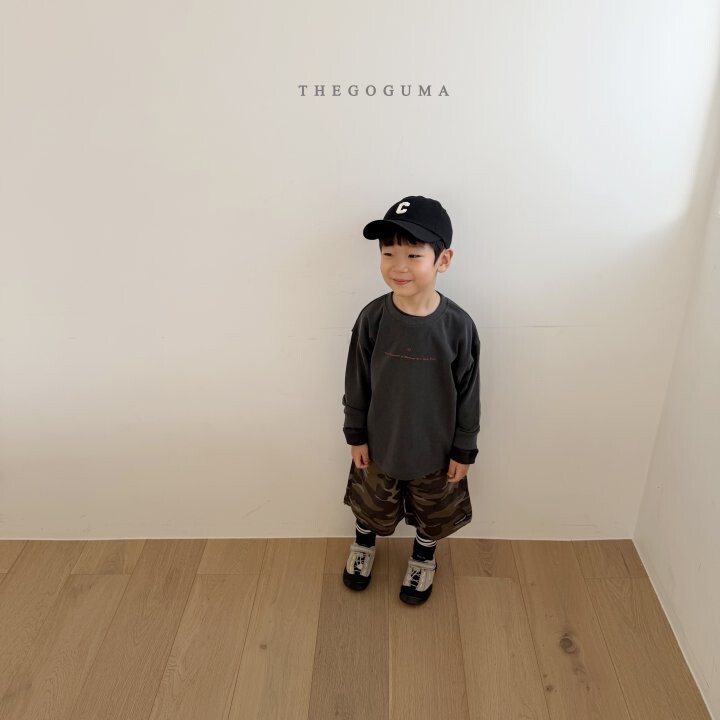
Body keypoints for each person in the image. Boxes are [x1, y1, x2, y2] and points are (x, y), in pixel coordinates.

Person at [341, 195, 481, 605]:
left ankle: (423, 556)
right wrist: (355, 433)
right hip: (379, 444)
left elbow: (469, 390)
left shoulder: (458, 327)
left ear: (443, 260)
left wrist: (464, 448)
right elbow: (356, 379)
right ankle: (364, 543)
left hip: (435, 450)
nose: (398, 266)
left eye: (413, 255)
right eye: (388, 253)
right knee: (370, 505)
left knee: (431, 512)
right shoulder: (373, 318)